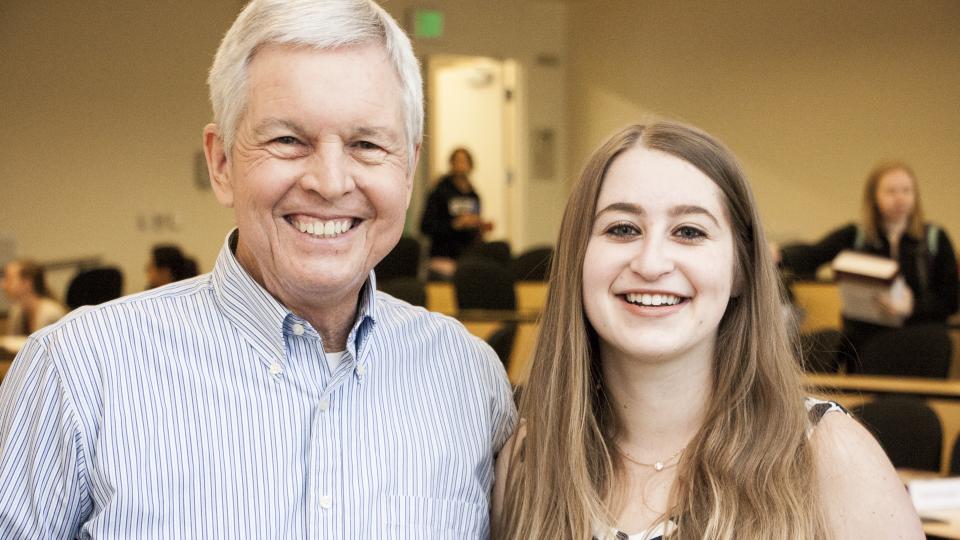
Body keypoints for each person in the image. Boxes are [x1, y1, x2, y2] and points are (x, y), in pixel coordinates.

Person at [0, 1, 515, 537]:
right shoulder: (79, 374)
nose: (331, 182)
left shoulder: (469, 379)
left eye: (366, 145)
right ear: (221, 163)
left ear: (408, 169)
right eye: (288, 140)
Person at [493, 122, 922, 539]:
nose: (651, 262)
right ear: (577, 259)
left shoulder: (827, 455)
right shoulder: (528, 459)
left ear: (740, 269)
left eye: (689, 231)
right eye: (622, 228)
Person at [777, 161, 958, 371]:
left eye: (906, 191)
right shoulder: (855, 236)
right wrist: (779, 254)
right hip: (866, 339)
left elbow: (950, 299)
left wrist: (912, 307)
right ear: (874, 197)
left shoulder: (935, 238)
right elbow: (814, 253)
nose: (900, 198)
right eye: (891, 191)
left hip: (922, 337)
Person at [420, 147, 492, 279]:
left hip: (467, 259)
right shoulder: (439, 193)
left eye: (465, 161)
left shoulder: (474, 195)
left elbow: (474, 231)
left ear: (471, 166)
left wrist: (479, 226)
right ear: (451, 164)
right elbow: (425, 226)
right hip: (442, 259)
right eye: (458, 161)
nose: (461, 165)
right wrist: (454, 224)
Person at [1, 259, 66, 336]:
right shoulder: (17, 310)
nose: (2, 284)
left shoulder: (51, 313)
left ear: (27, 283)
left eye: (9, 279)